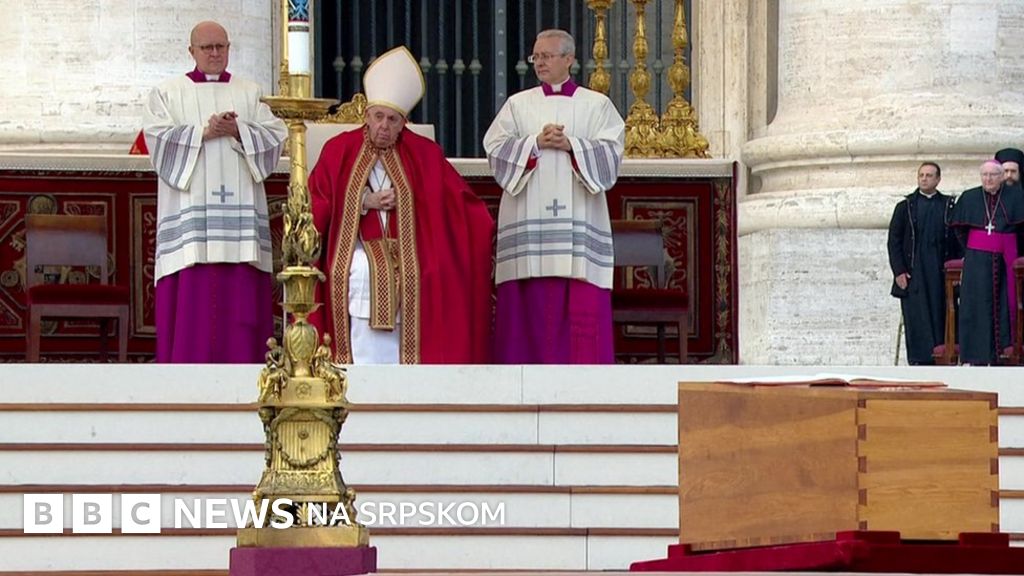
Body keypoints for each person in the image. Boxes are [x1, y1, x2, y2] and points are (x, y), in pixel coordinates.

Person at [309, 46, 494, 364]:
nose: (383, 126)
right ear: (366, 115)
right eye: (378, 116)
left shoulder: (424, 154)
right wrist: (361, 201)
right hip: (355, 246)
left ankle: (409, 372)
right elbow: (316, 202)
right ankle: (355, 368)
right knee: (361, 268)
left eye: (392, 119)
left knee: (424, 272)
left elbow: (458, 205)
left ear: (403, 123)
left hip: (414, 248)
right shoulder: (338, 150)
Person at [143, 21, 287, 363]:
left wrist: (239, 130)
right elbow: (157, 139)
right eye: (206, 47)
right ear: (191, 51)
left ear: (229, 49)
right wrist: (203, 133)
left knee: (239, 309)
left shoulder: (250, 93)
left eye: (220, 46)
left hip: (240, 234)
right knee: (194, 309)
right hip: (192, 231)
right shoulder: (167, 93)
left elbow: (276, 135)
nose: (214, 53)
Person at [482, 29, 625, 364]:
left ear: (569, 59)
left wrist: (571, 145)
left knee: (580, 306)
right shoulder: (517, 105)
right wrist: (535, 143)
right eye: (536, 56)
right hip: (528, 225)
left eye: (547, 56)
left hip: (579, 224)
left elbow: (611, 154)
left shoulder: (597, 105)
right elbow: (495, 149)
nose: (539, 63)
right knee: (526, 310)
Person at [949, 160, 1024, 365]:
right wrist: (973, 249)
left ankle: (1006, 352)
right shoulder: (969, 197)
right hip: (977, 263)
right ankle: (977, 354)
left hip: (1006, 260)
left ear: (1001, 177)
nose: (988, 179)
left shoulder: (1016, 196)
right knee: (976, 305)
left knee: (1006, 303)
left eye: (993, 175)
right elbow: (959, 230)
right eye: (985, 175)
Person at [887, 162, 959, 365]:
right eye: (921, 175)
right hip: (914, 272)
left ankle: (943, 358)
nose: (924, 179)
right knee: (916, 316)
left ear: (938, 179)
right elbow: (894, 242)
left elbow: (957, 238)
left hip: (940, 271)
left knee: (942, 313)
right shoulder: (905, 207)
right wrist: (899, 271)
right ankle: (919, 360)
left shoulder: (949, 206)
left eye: (929, 175)